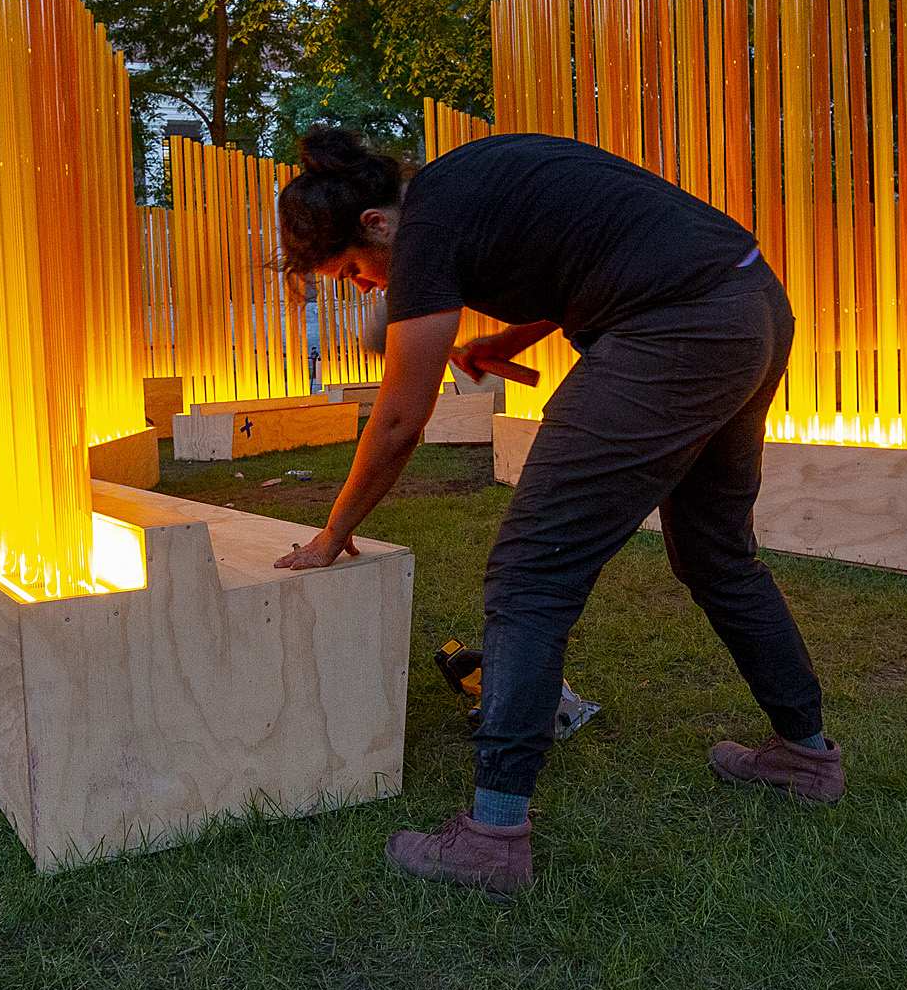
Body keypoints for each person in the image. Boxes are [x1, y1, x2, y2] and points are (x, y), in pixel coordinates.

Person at [269, 126, 835, 894]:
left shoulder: (426, 229)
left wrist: (333, 534)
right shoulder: (458, 190)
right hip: (749, 304)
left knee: (531, 569)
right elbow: (586, 255)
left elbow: (400, 418)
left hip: (677, 327)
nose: (367, 289)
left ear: (376, 223)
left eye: (354, 272)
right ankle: (805, 752)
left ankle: (494, 834)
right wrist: (506, 336)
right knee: (716, 552)